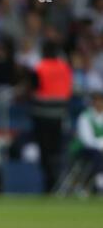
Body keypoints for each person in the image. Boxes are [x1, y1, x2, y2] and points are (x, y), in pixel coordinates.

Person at [31, 40, 73, 193]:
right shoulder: (65, 68)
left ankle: (50, 184)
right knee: (57, 151)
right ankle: (58, 182)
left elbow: (34, 88)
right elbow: (69, 90)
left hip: (42, 115)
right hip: (59, 115)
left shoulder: (40, 67)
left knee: (45, 152)